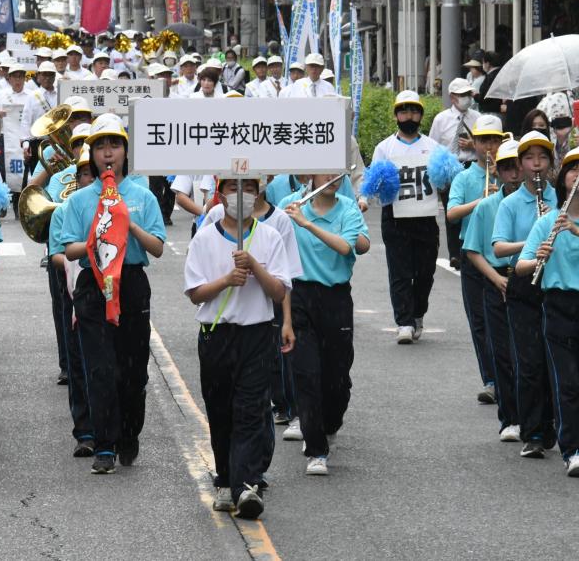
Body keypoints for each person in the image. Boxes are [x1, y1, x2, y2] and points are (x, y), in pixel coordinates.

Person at [60, 114, 166, 475]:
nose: (108, 153)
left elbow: (157, 248)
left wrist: (127, 222)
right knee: (100, 368)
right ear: (91, 154)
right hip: (94, 284)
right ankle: (104, 444)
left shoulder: (142, 195)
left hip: (132, 283)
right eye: (101, 146)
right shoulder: (80, 200)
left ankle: (129, 433)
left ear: (125, 151)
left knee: (133, 371)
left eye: (114, 145)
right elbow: (69, 249)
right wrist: (94, 237)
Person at [184, 177, 291, 519]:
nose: (239, 194)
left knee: (250, 409)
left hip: (257, 335)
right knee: (220, 410)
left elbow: (278, 292)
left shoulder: (270, 236)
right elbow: (195, 293)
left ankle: (246, 485)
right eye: (232, 187)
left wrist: (254, 265)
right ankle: (226, 478)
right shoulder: (204, 237)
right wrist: (227, 279)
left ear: (258, 192)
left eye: (247, 187)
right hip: (216, 335)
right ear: (221, 193)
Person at [516, 147, 579, 477]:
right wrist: (538, 259)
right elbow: (520, 266)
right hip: (558, 306)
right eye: (572, 168)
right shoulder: (547, 221)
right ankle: (573, 450)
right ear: (563, 179)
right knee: (567, 382)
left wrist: (577, 231)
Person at [280, 173, 368, 477]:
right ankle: (316, 449)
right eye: (324, 169)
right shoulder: (289, 205)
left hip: (336, 298)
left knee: (337, 379)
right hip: (299, 296)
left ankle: (328, 426)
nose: (331, 177)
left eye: (337, 171)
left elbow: (346, 247)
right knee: (306, 374)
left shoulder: (348, 209)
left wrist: (306, 224)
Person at [491, 130, 558, 456]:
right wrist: (534, 237)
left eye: (542, 158)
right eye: (529, 158)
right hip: (522, 283)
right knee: (529, 361)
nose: (536, 165)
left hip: (556, 283)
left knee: (553, 361)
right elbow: (499, 248)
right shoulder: (510, 203)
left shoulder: (560, 198)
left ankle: (553, 425)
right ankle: (532, 432)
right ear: (519, 164)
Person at [462, 139, 523, 439]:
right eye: (507, 168)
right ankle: (509, 417)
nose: (513, 174)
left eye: (517, 167)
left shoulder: (541, 202)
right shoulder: (486, 206)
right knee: (499, 350)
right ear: (497, 172)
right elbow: (473, 250)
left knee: (526, 350)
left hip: (527, 279)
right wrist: (495, 279)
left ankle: (532, 415)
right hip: (495, 277)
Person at [370, 91, 440, 344]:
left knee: (425, 272)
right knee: (399, 271)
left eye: (413, 111)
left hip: (425, 217)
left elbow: (443, 180)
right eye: (403, 111)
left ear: (420, 115)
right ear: (396, 115)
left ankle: (418, 313)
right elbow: (375, 184)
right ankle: (404, 322)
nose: (408, 116)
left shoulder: (433, 147)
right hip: (395, 217)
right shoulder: (384, 148)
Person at [447, 115, 504, 403]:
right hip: (472, 253)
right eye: (484, 141)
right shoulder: (465, 176)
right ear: (475, 144)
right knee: (479, 320)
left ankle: (507, 374)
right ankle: (491, 379)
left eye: (495, 140)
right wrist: (481, 201)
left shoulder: (509, 174)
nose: (490, 146)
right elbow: (451, 213)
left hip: (504, 255)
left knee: (505, 320)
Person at [48, 144, 96, 457]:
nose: (87, 179)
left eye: (92, 174)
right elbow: (55, 252)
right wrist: (73, 264)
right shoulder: (64, 209)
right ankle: (85, 432)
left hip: (112, 289)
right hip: (76, 289)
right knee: (78, 362)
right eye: (83, 175)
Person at [429, 77, 481, 269]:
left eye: (469, 94)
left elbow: (486, 145)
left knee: (474, 210)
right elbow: (433, 146)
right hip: (450, 168)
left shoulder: (477, 117)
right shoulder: (441, 119)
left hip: (472, 165)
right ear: (452, 97)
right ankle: (455, 254)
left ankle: (472, 249)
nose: (467, 98)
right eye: (462, 95)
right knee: (453, 213)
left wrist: (472, 144)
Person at [0, 63, 36, 196]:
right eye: (15, 77)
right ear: (9, 78)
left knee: (28, 166)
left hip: (28, 136)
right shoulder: (1, 95)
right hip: (7, 138)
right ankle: (13, 197)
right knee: (9, 168)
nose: (18, 80)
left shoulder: (32, 95)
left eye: (20, 77)